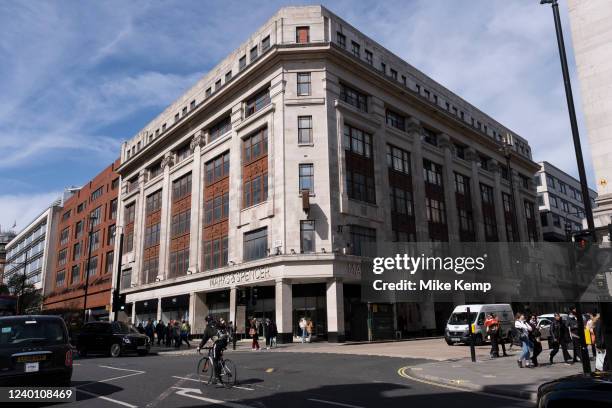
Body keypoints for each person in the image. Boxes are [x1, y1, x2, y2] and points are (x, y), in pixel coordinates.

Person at [198, 315, 230, 383]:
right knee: (219, 357)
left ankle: (216, 378)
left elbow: (204, 340)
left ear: (207, 321)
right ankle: (221, 366)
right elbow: (224, 327)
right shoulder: (217, 323)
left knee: (215, 360)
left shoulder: (207, 328)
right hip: (225, 341)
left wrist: (199, 347)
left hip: (218, 343)